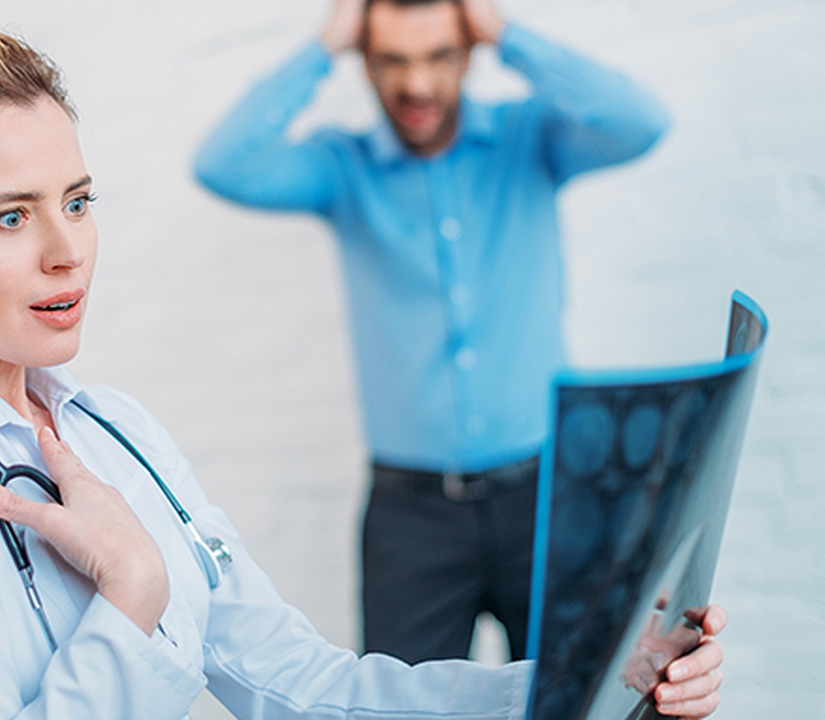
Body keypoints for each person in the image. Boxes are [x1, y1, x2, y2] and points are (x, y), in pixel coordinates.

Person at [0, 28, 724, 720]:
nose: (66, 249)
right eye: (9, 217)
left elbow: (301, 686)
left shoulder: (108, 429)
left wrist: (593, 685)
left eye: (77, 202)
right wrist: (131, 599)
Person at [193, 0, 669, 664]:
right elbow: (222, 165)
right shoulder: (343, 168)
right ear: (365, 61)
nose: (416, 84)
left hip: (548, 494)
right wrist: (325, 45)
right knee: (399, 705)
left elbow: (641, 122)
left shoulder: (529, 138)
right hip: (411, 518)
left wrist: (503, 31)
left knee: (578, 697)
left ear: (469, 52)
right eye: (392, 60)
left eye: (439, 55)